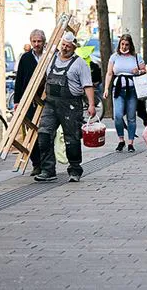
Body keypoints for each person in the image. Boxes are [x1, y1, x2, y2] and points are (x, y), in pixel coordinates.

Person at [35, 32, 95, 183]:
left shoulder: (80, 63)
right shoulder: (51, 59)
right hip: (51, 104)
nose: (65, 48)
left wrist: (92, 105)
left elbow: (87, 85)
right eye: (63, 45)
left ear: (74, 47)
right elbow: (42, 79)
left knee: (72, 139)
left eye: (68, 46)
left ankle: (75, 170)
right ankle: (48, 170)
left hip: (71, 106)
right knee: (44, 135)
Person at [103, 34, 146, 152]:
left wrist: (138, 71)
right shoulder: (114, 57)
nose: (124, 46)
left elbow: (144, 70)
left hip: (132, 90)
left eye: (127, 44)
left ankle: (131, 142)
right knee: (117, 116)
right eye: (122, 44)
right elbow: (109, 73)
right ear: (119, 44)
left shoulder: (136, 57)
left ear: (130, 45)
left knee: (131, 117)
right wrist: (106, 88)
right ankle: (121, 140)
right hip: (118, 90)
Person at [13, 29, 46, 175]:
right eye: (34, 41)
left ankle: (46, 164)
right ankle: (36, 164)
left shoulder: (49, 57)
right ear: (30, 42)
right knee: (31, 133)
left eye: (39, 41)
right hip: (29, 101)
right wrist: (17, 101)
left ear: (44, 42)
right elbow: (19, 79)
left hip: (46, 100)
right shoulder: (25, 58)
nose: (36, 44)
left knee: (45, 133)